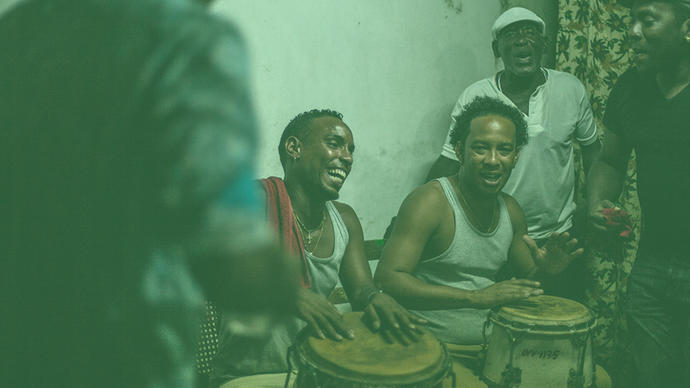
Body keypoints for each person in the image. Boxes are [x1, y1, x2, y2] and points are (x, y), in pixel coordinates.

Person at [0, 0, 296, 387]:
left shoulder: (17, 29)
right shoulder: (188, 43)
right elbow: (236, 269)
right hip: (125, 358)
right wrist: (281, 280)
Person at [212, 109, 425, 387]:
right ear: (294, 148)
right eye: (335, 144)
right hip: (246, 376)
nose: (347, 157)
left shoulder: (345, 219)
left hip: (314, 372)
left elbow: (360, 289)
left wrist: (376, 298)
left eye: (350, 150)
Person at [376, 95, 585, 345]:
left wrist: (547, 270)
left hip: (491, 351)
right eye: (480, 148)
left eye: (505, 150)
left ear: (516, 156)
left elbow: (528, 284)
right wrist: (474, 297)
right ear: (459, 151)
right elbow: (387, 279)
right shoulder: (430, 202)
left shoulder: (511, 210)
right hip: (426, 351)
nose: (493, 160)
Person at [425, 7, 600, 301]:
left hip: (558, 235)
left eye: (530, 33)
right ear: (497, 49)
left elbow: (596, 154)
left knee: (559, 323)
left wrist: (592, 206)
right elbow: (450, 161)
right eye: (511, 34)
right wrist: (414, 209)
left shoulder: (570, 88)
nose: (522, 41)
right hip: (495, 235)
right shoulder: (475, 96)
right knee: (502, 323)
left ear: (544, 45)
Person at [587, 1, 690, 387]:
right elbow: (610, 160)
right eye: (631, 19)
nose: (632, 31)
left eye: (647, 19)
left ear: (686, 27)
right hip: (651, 266)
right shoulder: (631, 86)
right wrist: (599, 202)